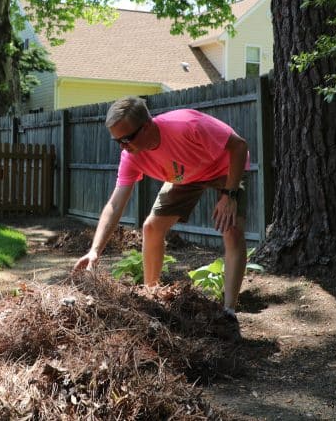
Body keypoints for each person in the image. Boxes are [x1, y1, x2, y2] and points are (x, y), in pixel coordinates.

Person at [72, 96, 250, 317]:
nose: (123, 147)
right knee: (151, 227)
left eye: (126, 139)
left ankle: (229, 311)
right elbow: (116, 203)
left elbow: (239, 146)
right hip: (186, 177)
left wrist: (229, 195)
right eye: (117, 141)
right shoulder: (131, 156)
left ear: (147, 126)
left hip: (224, 169)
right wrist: (95, 250)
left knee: (231, 231)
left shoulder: (187, 125)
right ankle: (151, 297)